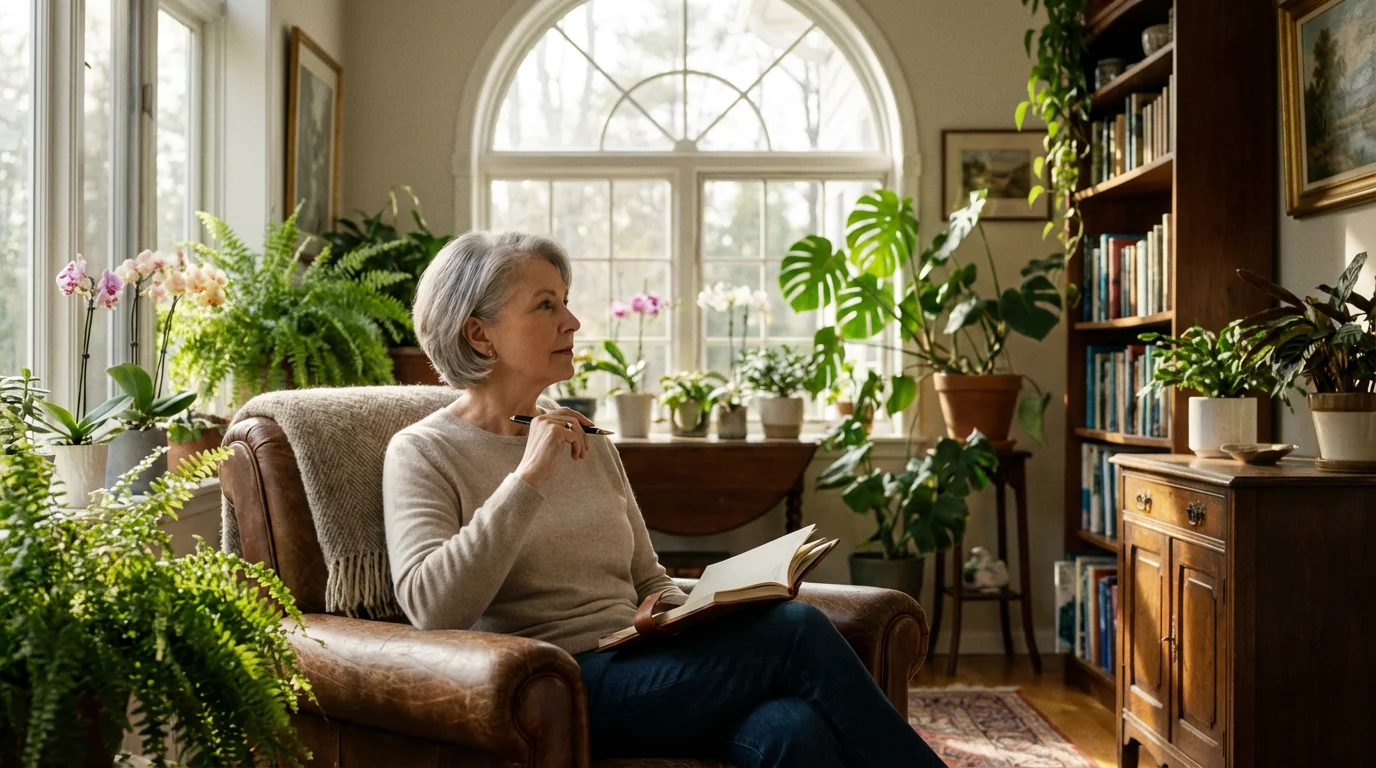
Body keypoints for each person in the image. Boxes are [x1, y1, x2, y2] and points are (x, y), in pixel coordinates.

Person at [382, 231, 944, 767]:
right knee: (797, 631)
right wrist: (528, 477)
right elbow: (433, 608)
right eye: (545, 305)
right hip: (555, 687)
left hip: (643, 664)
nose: (573, 322)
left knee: (792, 728)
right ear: (480, 335)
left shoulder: (588, 440)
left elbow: (647, 577)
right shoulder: (424, 452)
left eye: (567, 302)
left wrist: (685, 612)